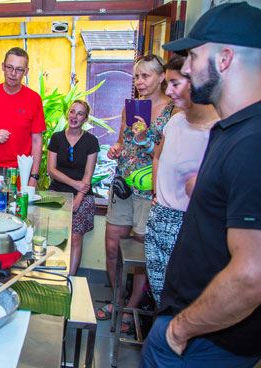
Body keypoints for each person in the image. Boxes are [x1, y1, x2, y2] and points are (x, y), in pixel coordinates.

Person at [141, 2, 261, 368]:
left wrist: (179, 331)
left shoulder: (252, 142)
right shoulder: (232, 130)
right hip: (196, 328)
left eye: (193, 56)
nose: (187, 68)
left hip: (207, 342)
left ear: (224, 58)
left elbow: (252, 274)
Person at [97, 53, 174, 334]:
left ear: (162, 76)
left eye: (146, 76)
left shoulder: (172, 111)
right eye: (137, 76)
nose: (139, 81)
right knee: (112, 246)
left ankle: (131, 307)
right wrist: (117, 148)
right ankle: (116, 301)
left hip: (150, 191)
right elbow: (121, 142)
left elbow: (165, 152)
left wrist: (145, 139)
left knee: (140, 255)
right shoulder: (130, 107)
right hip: (123, 187)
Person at [144, 55, 218, 306]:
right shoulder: (174, 122)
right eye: (167, 84)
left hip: (187, 224)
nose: (169, 91)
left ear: (195, 82)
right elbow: (157, 156)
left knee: (183, 301)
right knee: (160, 298)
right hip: (158, 218)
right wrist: (156, 193)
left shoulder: (217, 131)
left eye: (174, 83)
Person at [0, 47, 45, 186]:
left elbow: (37, 140)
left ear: (26, 71)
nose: (13, 73)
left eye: (19, 69)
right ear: (3, 67)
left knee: (18, 208)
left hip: (20, 169)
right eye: (9, 67)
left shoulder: (34, 99)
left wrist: (34, 176)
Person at [47, 100, 99, 275]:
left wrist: (77, 198)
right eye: (72, 111)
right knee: (54, 235)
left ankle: (70, 277)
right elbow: (51, 170)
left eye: (80, 113)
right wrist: (74, 184)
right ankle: (54, 274)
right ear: (67, 113)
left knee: (76, 237)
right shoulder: (56, 138)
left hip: (82, 196)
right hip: (57, 193)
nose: (74, 116)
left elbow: (87, 176)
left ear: (85, 118)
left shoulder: (91, 141)